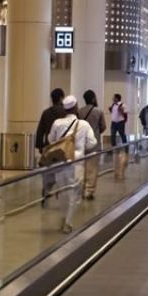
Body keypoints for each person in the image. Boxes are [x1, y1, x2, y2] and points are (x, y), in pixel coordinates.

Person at [46, 95, 99, 232]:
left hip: (60, 162)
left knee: (63, 192)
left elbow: (51, 139)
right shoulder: (83, 124)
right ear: (76, 107)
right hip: (77, 163)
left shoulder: (57, 123)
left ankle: (65, 218)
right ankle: (68, 223)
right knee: (74, 194)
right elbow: (92, 142)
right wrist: (81, 147)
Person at [33, 88, 67, 201]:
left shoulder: (46, 113)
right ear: (61, 98)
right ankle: (61, 193)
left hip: (49, 147)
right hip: (63, 147)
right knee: (62, 171)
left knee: (47, 172)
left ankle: (46, 190)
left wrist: (40, 146)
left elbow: (40, 130)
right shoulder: (65, 113)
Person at [78, 90, 107, 199]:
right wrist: (96, 132)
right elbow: (103, 126)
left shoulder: (80, 112)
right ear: (93, 98)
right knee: (92, 168)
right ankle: (89, 191)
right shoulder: (98, 112)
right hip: (94, 144)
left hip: (81, 144)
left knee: (82, 168)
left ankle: (81, 189)